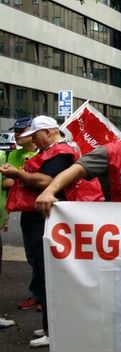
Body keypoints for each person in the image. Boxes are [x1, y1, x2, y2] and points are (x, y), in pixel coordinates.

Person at [0, 116, 102, 348]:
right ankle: (51, 325)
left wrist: (18, 175)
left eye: (35, 135)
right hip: (40, 217)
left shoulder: (61, 153)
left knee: (48, 273)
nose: (33, 140)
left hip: (47, 218)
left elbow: (46, 180)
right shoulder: (54, 151)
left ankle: (53, 329)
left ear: (48, 132)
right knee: (42, 270)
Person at [2, 117, 40, 311]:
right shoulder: (14, 155)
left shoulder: (45, 152)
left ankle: (46, 296)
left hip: (43, 209)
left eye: (21, 132)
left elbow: (44, 181)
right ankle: (37, 294)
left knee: (45, 255)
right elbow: (5, 182)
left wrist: (19, 176)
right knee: (32, 255)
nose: (17, 136)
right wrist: (25, 178)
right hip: (24, 209)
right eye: (15, 132)